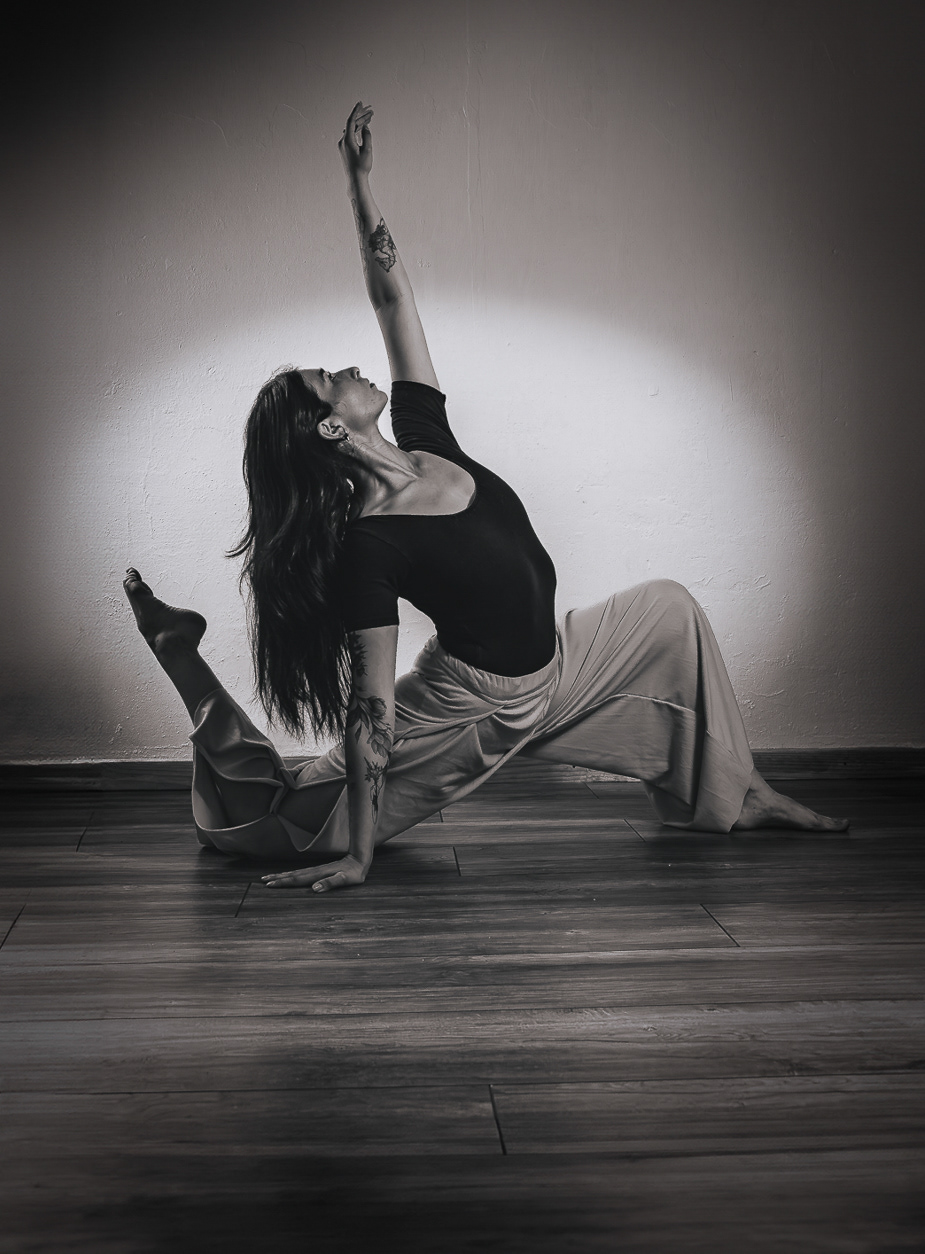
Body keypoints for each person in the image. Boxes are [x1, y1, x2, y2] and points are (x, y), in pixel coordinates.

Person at [123, 101, 848, 894]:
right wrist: (359, 858)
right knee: (284, 825)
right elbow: (371, 712)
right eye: (332, 380)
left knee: (670, 611)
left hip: (560, 667)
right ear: (331, 428)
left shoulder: (425, 434)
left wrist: (359, 184)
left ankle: (744, 794)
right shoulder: (371, 543)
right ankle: (179, 652)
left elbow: (393, 303)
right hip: (470, 709)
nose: (352, 369)